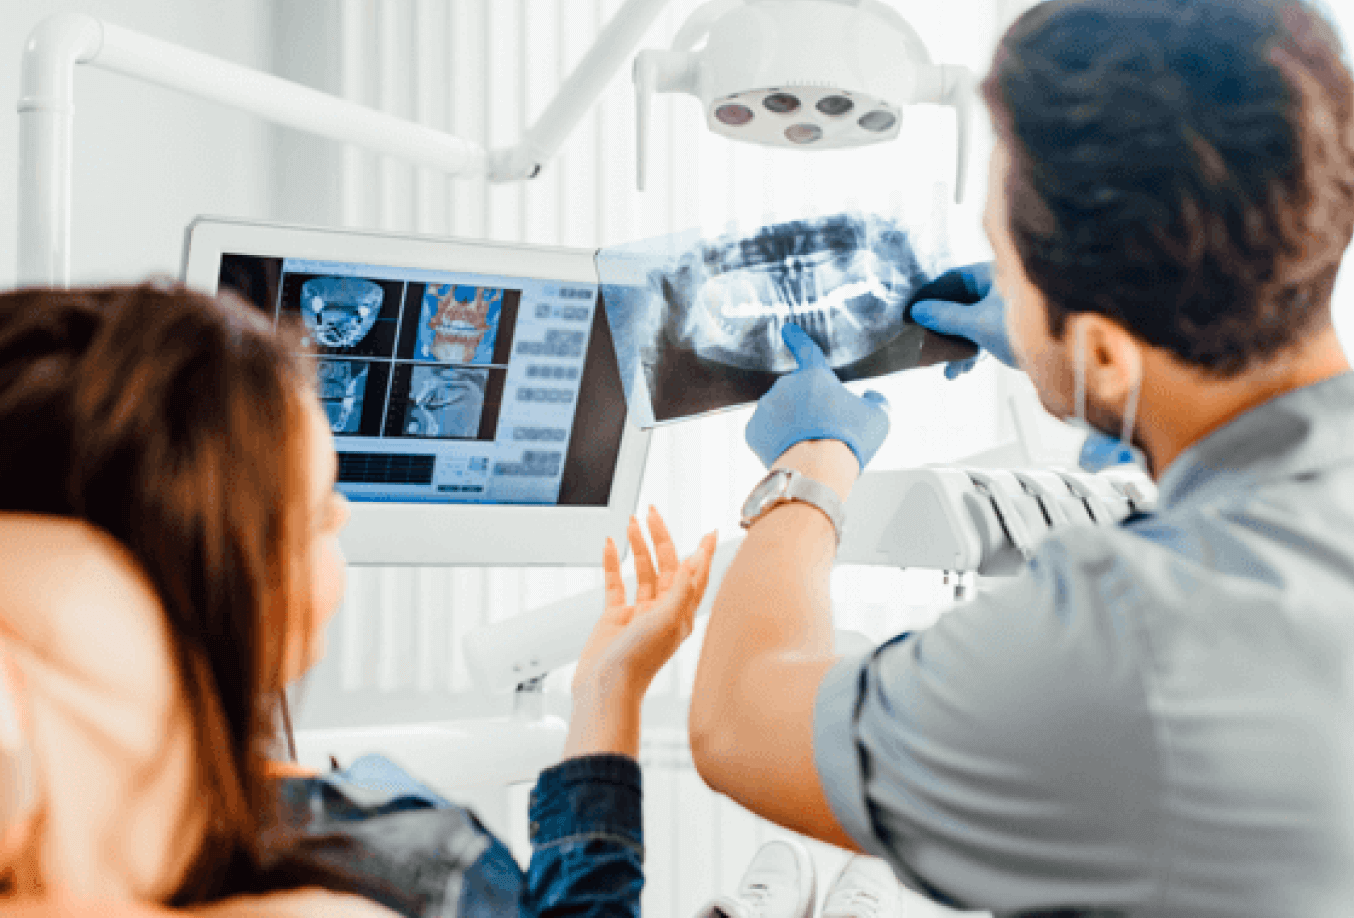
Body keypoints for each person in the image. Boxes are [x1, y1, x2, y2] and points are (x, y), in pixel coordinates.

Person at [687, 0, 1354, 915]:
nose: (1001, 277)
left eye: (1007, 260)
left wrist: (811, 467)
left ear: (1108, 349)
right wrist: (1096, 382)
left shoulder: (1129, 644)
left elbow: (737, 725)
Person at [0, 283, 717, 916]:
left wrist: (604, 687)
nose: (343, 514)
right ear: (202, 580)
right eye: (316, 512)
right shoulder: (400, 873)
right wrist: (612, 694)